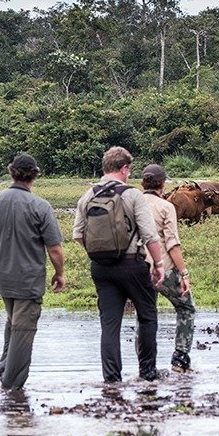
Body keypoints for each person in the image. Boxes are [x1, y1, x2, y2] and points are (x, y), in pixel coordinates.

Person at [0, 153, 66, 390]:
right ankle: (11, 387)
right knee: (24, 330)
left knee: (13, 320)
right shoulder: (40, 206)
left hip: (2, 276)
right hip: (29, 279)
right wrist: (59, 273)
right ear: (34, 175)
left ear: (11, 172)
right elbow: (54, 248)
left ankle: (5, 368)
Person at [73, 146, 165, 383]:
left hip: (101, 269)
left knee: (109, 324)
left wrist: (99, 254)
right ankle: (147, 373)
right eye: (129, 170)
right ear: (124, 168)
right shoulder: (134, 195)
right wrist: (158, 263)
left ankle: (112, 379)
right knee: (147, 316)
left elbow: (78, 235)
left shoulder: (87, 195)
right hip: (132, 264)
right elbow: (150, 235)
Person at [140, 163, 196, 373]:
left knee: (144, 314)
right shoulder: (166, 206)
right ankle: (180, 358)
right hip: (164, 267)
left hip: (139, 267)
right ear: (162, 183)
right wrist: (184, 272)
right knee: (186, 307)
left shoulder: (134, 203)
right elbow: (172, 244)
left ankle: (145, 364)